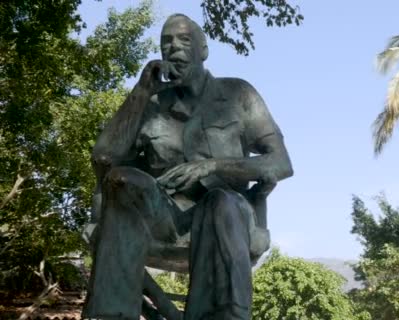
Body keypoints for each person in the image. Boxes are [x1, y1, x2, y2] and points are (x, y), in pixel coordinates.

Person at [81, 13, 293, 320]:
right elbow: (103, 158)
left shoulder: (238, 94)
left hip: (227, 214)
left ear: (203, 50)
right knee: (122, 178)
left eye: (184, 40)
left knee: (219, 202)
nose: (173, 47)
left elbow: (281, 162)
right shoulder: (150, 103)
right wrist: (141, 92)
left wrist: (211, 166)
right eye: (166, 41)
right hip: (163, 219)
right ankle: (110, 315)